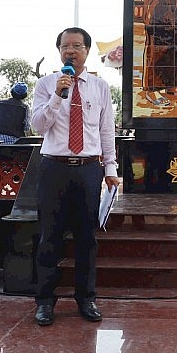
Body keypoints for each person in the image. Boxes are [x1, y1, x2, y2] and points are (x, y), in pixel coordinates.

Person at [30, 27, 120, 326]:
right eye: (65, 46)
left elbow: (106, 130)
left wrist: (110, 169)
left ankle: (86, 298)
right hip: (53, 167)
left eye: (77, 46)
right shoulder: (45, 84)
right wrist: (58, 95)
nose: (71, 50)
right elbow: (39, 126)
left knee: (86, 238)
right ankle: (44, 301)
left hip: (88, 169)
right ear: (59, 51)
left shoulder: (100, 87)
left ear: (87, 51)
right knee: (49, 237)